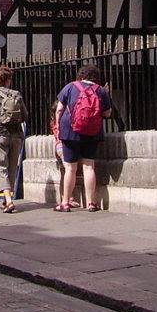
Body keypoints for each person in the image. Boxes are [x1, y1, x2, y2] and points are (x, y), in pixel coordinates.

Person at [54, 63, 113, 213]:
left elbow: (59, 109)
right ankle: (91, 203)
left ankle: (65, 202)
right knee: (88, 167)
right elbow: (107, 113)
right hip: (92, 131)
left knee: (70, 168)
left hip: (70, 131)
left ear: (81, 75)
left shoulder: (70, 86)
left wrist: (59, 127)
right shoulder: (100, 90)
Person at [0, 65, 28, 213]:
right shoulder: (17, 95)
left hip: (1, 136)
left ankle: (8, 200)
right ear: (8, 79)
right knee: (12, 167)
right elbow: (25, 116)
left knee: (1, 167)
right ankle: (7, 200)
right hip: (16, 135)